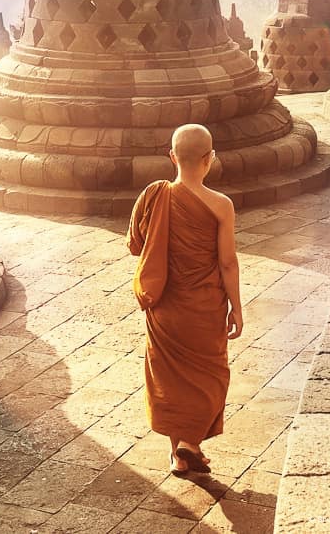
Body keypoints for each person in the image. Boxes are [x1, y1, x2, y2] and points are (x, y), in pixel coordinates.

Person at [127, 124, 243, 475]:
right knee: (210, 376)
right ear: (209, 159)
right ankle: (190, 444)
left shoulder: (154, 195)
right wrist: (236, 306)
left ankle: (179, 452)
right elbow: (226, 262)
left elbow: (135, 244)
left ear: (172, 157)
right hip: (204, 310)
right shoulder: (221, 205)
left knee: (170, 378)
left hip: (165, 308)